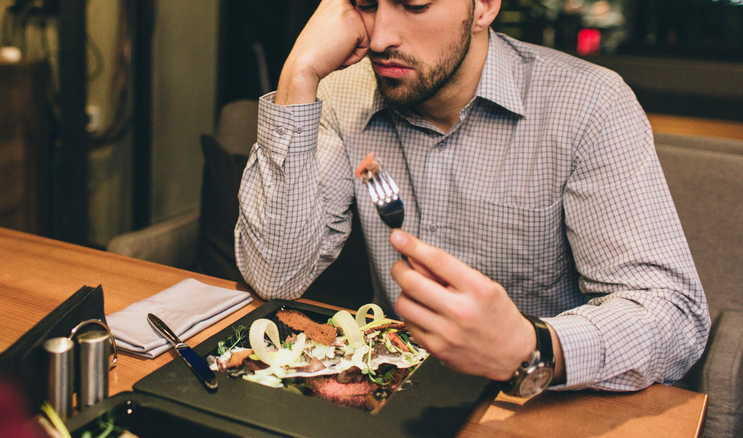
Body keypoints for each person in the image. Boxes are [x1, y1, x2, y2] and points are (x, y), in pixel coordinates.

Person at [234, 0, 709, 394]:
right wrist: (298, 75)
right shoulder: (341, 94)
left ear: (483, 6)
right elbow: (276, 274)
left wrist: (533, 346)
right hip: (392, 395)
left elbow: (674, 316)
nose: (379, 38)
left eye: (414, 4)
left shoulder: (589, 105)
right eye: (366, 5)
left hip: (535, 405)